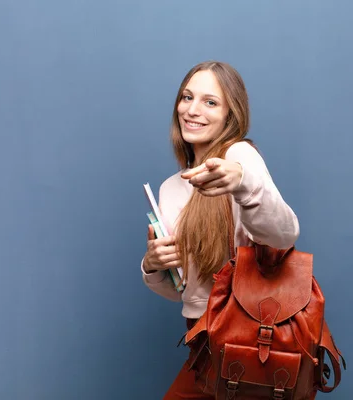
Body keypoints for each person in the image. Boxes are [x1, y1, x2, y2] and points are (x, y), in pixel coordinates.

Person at [140, 61, 300, 399]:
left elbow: (284, 233)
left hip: (247, 338)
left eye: (210, 102)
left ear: (231, 114)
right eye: (187, 98)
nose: (193, 110)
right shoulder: (170, 188)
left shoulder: (239, 155)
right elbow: (186, 293)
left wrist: (242, 181)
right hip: (201, 340)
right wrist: (154, 265)